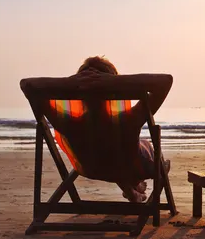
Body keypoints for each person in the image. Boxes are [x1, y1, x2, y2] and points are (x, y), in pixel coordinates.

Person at [45, 56, 166, 203]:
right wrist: (112, 81)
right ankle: (134, 184)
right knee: (140, 146)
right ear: (113, 87)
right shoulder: (128, 121)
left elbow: (27, 85)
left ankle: (133, 190)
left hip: (91, 168)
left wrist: (73, 82)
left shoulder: (69, 123)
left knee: (111, 151)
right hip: (129, 168)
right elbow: (165, 81)